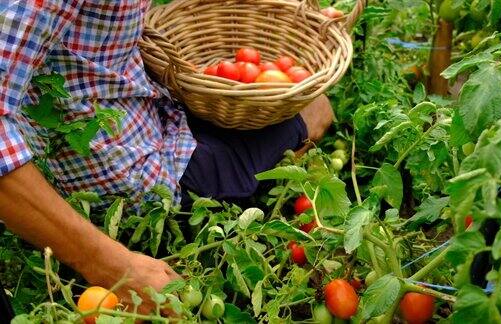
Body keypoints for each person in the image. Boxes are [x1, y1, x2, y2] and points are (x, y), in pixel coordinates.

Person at [0, 0, 333, 314]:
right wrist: (110, 265)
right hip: (140, 183)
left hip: (147, 116)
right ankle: (244, 197)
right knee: (316, 108)